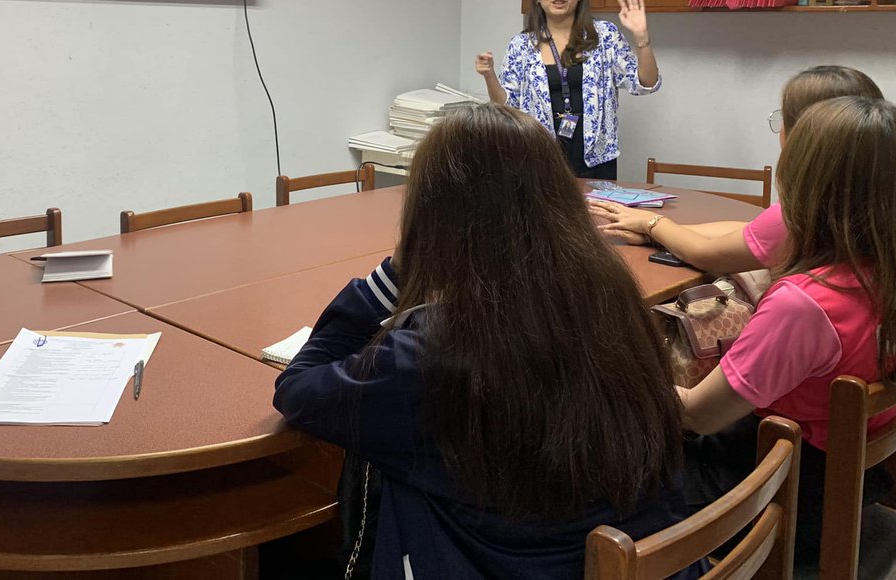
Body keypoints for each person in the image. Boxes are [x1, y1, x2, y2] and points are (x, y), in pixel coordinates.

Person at [273, 104, 700, 580]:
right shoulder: (611, 297)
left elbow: (298, 389)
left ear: (433, 218)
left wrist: (392, 275)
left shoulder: (435, 351)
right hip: (645, 560)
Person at [676, 96, 896, 563]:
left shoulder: (804, 304)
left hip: (780, 497)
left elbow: (698, 414)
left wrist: (620, 383)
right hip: (853, 482)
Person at [589, 65, 883, 272]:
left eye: (784, 118)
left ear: (810, 132)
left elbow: (707, 255)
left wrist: (652, 225)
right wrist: (656, 230)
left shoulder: (801, 218)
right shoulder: (874, 207)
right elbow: (748, 232)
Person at [474, 0, 660, 180]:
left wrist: (642, 37)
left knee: (597, 214)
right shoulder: (521, 45)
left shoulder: (604, 36)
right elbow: (506, 106)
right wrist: (489, 75)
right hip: (537, 155)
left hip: (596, 156)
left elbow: (646, 84)